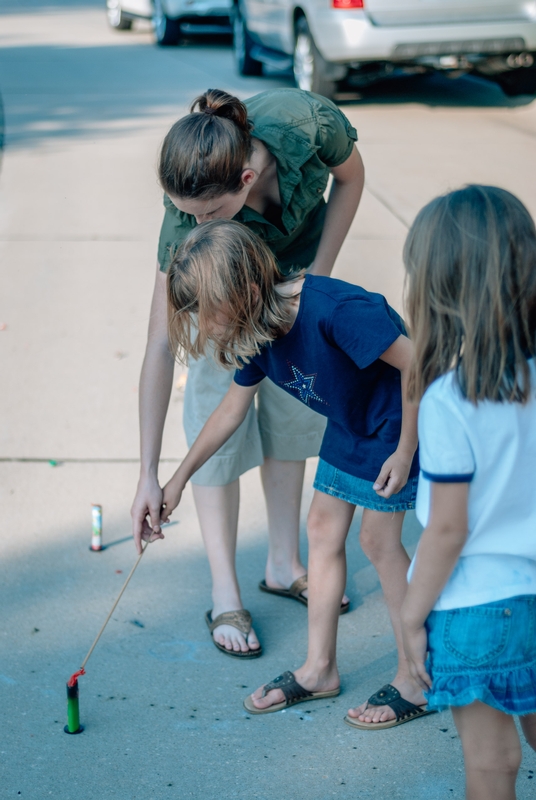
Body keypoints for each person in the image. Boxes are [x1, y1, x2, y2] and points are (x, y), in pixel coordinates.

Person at [141, 219, 428, 727]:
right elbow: (231, 411)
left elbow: (419, 366)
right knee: (320, 528)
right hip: (351, 421)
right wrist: (177, 480)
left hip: (396, 421)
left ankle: (416, 678)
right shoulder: (258, 330)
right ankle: (320, 669)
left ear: (247, 290)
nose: (206, 327)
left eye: (210, 314)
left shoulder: (336, 312)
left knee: (379, 543)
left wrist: (406, 451)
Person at [131, 88, 364, 657]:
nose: (192, 224)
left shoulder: (309, 125)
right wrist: (148, 472)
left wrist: (318, 284)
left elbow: (352, 181)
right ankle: (225, 590)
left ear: (242, 182)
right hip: (222, 298)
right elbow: (161, 344)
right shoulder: (186, 214)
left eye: (205, 215)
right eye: (184, 213)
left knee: (291, 413)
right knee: (219, 417)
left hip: (293, 285)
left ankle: (284, 564)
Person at [400, 186, 536, 799]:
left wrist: (409, 610)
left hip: (478, 606)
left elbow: (448, 529)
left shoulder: (450, 400)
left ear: (437, 287)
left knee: (491, 761)